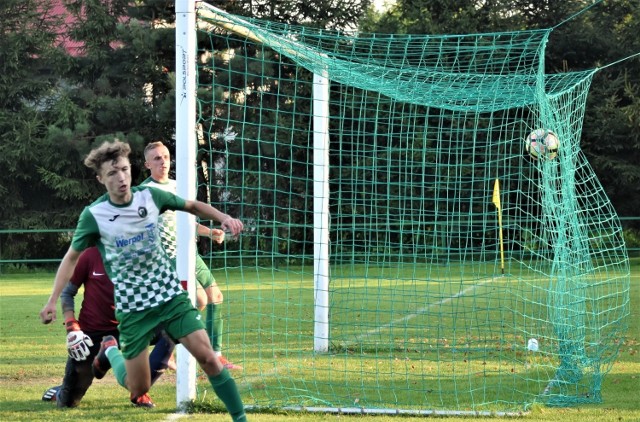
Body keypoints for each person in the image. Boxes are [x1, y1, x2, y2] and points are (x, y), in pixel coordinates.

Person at [39, 139, 246, 421]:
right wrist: (52, 301)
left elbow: (191, 205)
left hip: (170, 297)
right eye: (112, 173)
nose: (121, 177)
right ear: (101, 179)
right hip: (134, 309)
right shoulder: (94, 215)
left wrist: (223, 217)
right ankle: (110, 350)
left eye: (124, 169)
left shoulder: (149, 197)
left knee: (209, 358)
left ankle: (241, 419)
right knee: (139, 387)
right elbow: (71, 258)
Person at [142, 141, 241, 370]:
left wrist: (209, 232)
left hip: (191, 253)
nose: (163, 162)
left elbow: (188, 220)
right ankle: (167, 350)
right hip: (169, 259)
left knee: (215, 297)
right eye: (156, 158)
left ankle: (216, 355)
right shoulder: (146, 193)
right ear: (147, 164)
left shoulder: (179, 186)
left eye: (165, 157)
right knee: (199, 300)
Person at [41, 246, 174, 408]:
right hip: (92, 335)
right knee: (68, 403)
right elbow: (68, 292)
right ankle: (61, 392)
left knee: (171, 329)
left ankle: (138, 390)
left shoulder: (141, 255)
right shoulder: (90, 254)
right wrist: (72, 326)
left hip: (129, 329)